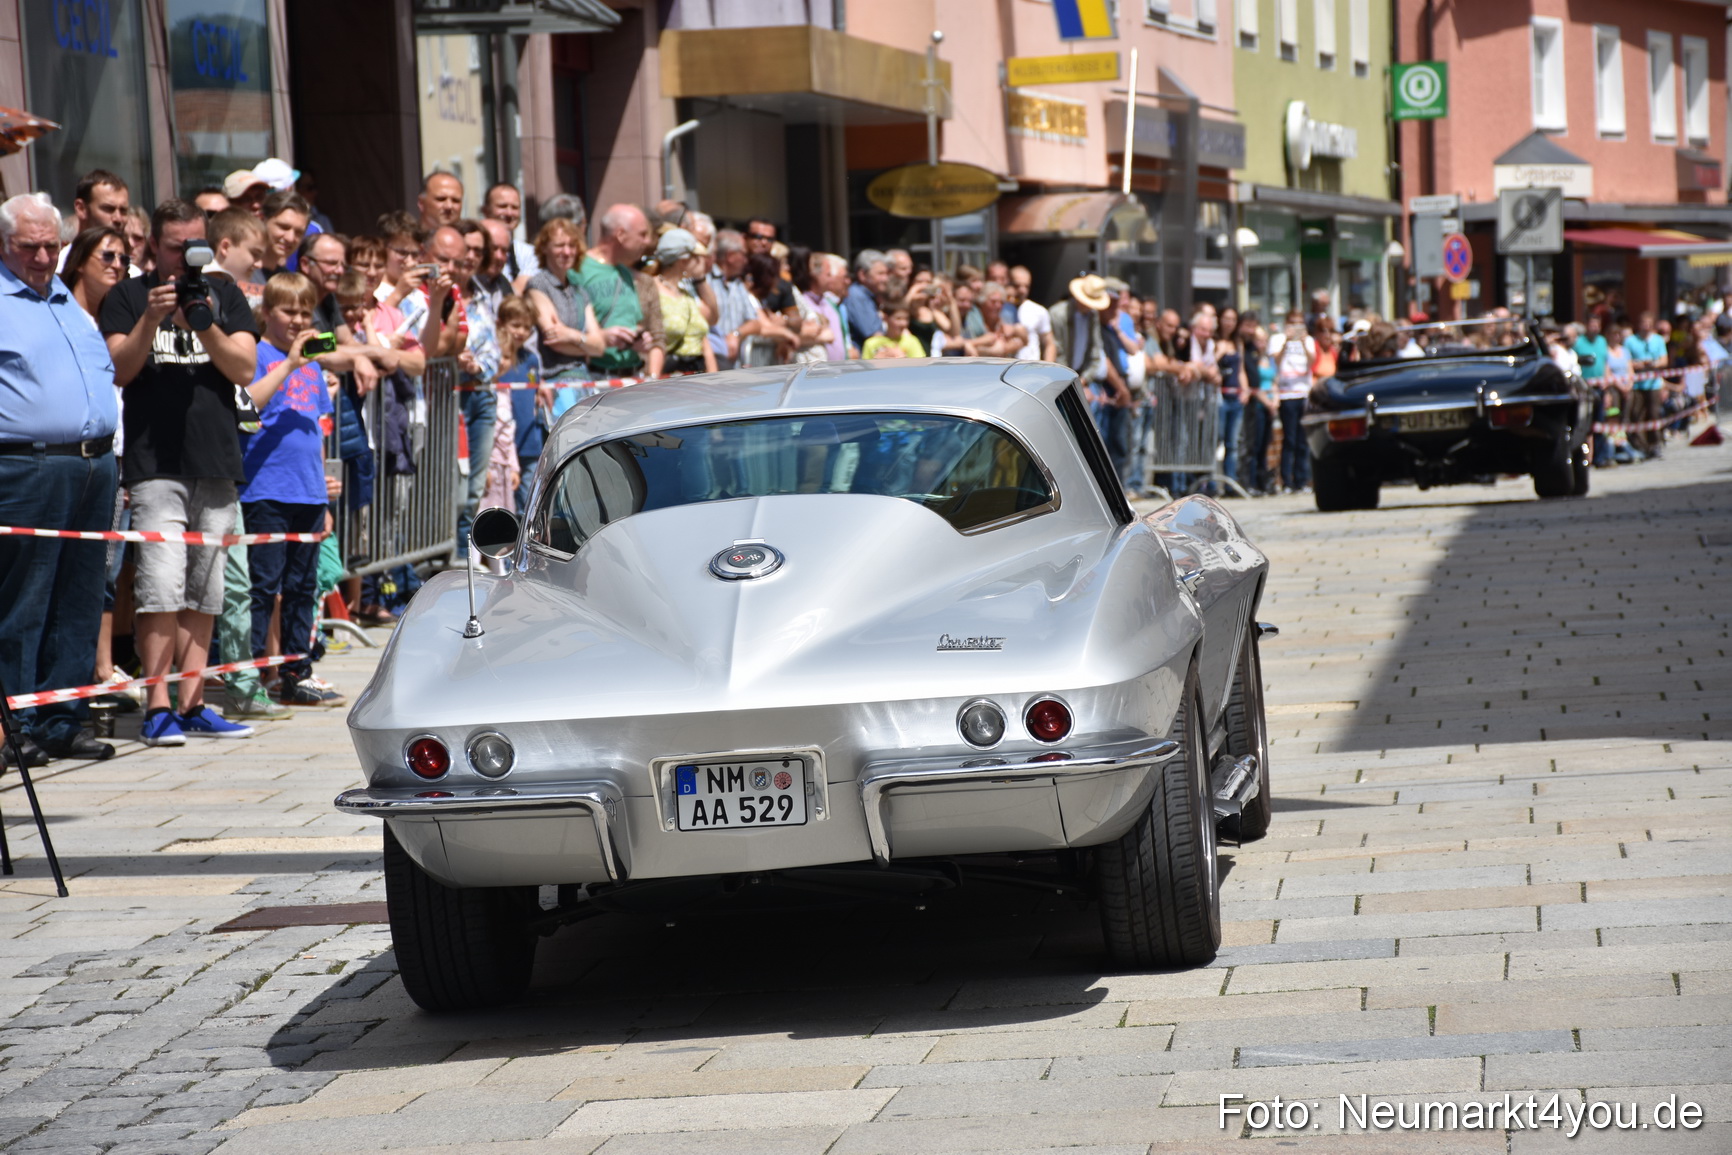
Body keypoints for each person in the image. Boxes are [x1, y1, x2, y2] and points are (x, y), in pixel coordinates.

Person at [99, 198, 259, 746]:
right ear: (154, 246)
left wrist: (202, 322)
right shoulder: (126, 296)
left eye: (194, 247)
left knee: (204, 588)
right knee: (160, 585)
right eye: (174, 247)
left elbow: (242, 366)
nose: (183, 260)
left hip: (215, 461)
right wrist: (152, 316)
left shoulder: (226, 293)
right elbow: (119, 369)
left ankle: (192, 703)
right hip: (153, 462)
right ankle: (158, 704)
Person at [0, 194, 121, 766]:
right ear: (5, 244)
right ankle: (14, 723)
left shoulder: (66, 299)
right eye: (30, 246)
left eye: (52, 245)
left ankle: (60, 718)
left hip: (93, 464)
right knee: (25, 597)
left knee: (80, 595)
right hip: (29, 464)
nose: (43, 256)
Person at [242, 273, 339, 711]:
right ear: (268, 313)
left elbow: (315, 431)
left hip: (308, 494)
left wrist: (323, 491)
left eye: (305, 312)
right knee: (263, 586)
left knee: (303, 587)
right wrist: (290, 363)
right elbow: (248, 404)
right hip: (265, 491)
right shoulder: (259, 355)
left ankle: (296, 671)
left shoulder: (315, 366)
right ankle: (255, 671)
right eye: (288, 311)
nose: (298, 320)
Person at [575, 203, 664, 380]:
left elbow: (639, 324)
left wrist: (639, 340)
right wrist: (601, 338)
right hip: (596, 379)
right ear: (621, 235)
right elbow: (565, 329)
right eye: (642, 234)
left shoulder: (626, 274)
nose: (647, 242)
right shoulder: (579, 269)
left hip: (632, 376)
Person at [524, 217, 604, 413]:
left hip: (583, 381)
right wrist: (587, 345)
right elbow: (554, 338)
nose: (567, 252)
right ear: (544, 248)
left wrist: (573, 336)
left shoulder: (579, 291)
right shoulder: (538, 285)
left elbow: (600, 347)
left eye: (571, 245)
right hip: (555, 384)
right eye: (559, 245)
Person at [484, 295, 537, 512]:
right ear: (501, 324)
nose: (521, 332)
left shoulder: (531, 360)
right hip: (501, 448)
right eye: (515, 325)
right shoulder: (495, 360)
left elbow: (533, 391)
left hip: (528, 442)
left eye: (527, 327)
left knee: (530, 503)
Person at [653, 228, 717, 375]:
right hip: (668, 379)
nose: (701, 262)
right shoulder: (651, 289)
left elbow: (712, 318)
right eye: (697, 257)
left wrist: (700, 278)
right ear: (684, 260)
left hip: (696, 377)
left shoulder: (685, 293)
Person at [1268, 310, 1315, 493]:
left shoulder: (1308, 340)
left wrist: (1303, 343)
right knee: (1289, 439)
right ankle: (1286, 480)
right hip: (1287, 394)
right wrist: (1287, 340)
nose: (1296, 326)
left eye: (1299, 323)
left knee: (1303, 439)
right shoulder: (1278, 339)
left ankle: (1302, 480)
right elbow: (1277, 362)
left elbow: (1312, 362)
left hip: (1304, 392)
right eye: (1292, 323)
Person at [1624, 311, 1667, 459]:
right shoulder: (1630, 341)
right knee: (1637, 415)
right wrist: (1638, 365)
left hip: (1653, 383)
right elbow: (1626, 361)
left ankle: (1655, 444)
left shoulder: (1658, 340)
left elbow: (1664, 360)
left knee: (1654, 414)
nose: (1646, 326)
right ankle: (1641, 446)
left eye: (1649, 323)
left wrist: (1653, 363)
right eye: (1643, 323)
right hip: (1637, 385)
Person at [207, 208, 268, 305]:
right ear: (225, 247)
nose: (259, 264)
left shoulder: (232, 286)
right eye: (255, 254)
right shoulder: (203, 285)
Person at [482, 182, 539, 281]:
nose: (509, 213)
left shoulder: (529, 253)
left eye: (514, 207)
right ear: (485, 211)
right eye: (502, 206)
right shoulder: (474, 250)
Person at [806, 252, 851, 361]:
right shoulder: (804, 302)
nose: (831, 279)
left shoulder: (830, 303)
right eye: (828, 274)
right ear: (815, 275)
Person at [258, 190, 311, 279]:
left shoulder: (291, 284)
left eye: (298, 232)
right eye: (284, 227)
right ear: (262, 219)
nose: (290, 238)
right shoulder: (239, 272)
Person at [1007, 266, 1055, 361]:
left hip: (1031, 369)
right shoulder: (998, 308)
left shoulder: (1038, 311)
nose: (1022, 290)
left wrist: (1048, 369)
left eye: (1026, 286)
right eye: (1017, 285)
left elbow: (1049, 344)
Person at [845, 250, 887, 348]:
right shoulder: (856, 296)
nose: (885, 279)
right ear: (862, 275)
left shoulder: (872, 295)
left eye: (886, 273)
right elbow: (874, 335)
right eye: (880, 274)